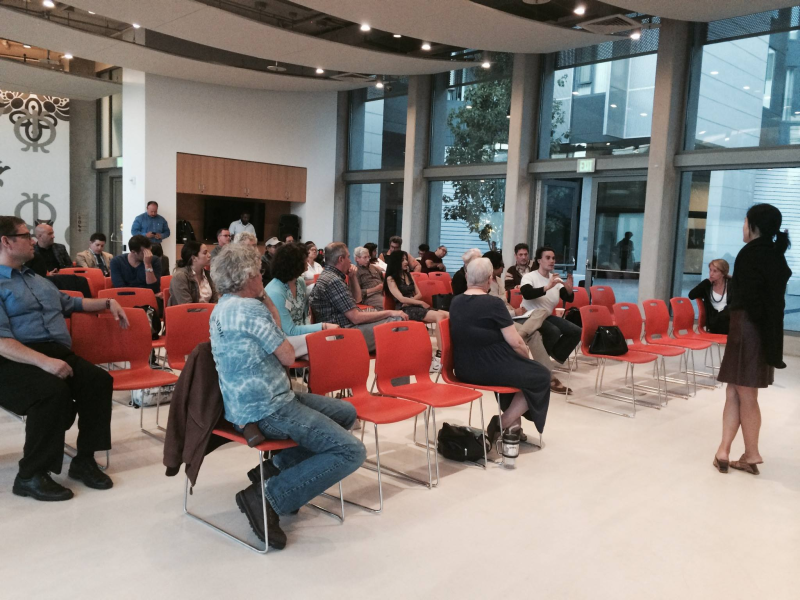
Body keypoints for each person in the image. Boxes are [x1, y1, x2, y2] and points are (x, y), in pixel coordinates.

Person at [209, 243, 365, 549]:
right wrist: (265, 300)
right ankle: (269, 496)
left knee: (345, 412)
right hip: (268, 407)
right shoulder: (251, 310)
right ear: (246, 277)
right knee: (351, 452)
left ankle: (275, 469)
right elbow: (288, 356)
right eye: (257, 272)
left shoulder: (222, 306)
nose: (261, 276)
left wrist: (263, 295)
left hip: (249, 402)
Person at [0, 216, 129, 501]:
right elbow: (1, 342)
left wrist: (108, 302)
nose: (33, 240)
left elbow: (71, 303)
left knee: (98, 380)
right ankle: (30, 475)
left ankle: (84, 460)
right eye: (26, 236)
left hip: (55, 352)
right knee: (51, 392)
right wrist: (44, 363)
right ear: (6, 242)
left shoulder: (35, 278)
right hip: (13, 360)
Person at [714, 204, 791, 476]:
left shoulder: (752, 254)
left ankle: (751, 452)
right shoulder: (773, 253)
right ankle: (725, 451)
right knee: (736, 389)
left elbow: (752, 298)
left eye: (745, 222)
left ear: (754, 226)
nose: (742, 227)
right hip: (759, 328)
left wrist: (750, 322)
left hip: (747, 326)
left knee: (744, 391)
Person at [449, 257, 551, 452]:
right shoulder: (493, 303)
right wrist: (526, 359)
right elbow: (516, 342)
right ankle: (502, 423)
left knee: (516, 374)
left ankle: (514, 426)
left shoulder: (456, 301)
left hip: (463, 366)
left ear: (467, 276)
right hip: (487, 366)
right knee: (541, 375)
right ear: (489, 279)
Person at [484, 250, 567, 395]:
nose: (502, 269)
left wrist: (514, 310)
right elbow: (490, 311)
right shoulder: (483, 284)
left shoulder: (499, 281)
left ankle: (521, 334)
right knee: (534, 333)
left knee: (541, 311)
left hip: (509, 315)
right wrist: (513, 313)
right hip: (497, 320)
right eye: (500, 266)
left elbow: (503, 303)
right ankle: (547, 375)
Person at [310, 242, 408, 353]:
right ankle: (395, 365)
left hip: (346, 328)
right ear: (341, 259)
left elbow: (358, 300)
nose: (350, 261)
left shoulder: (330, 276)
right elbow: (355, 317)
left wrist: (352, 277)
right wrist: (389, 312)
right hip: (343, 335)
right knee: (398, 321)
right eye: (348, 257)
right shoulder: (334, 281)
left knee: (394, 320)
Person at [266, 243, 339, 358]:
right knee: (324, 343)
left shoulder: (299, 282)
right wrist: (322, 326)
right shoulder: (275, 291)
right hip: (281, 340)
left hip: (299, 335)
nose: (307, 263)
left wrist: (315, 330)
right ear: (295, 264)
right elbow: (289, 330)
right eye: (304, 261)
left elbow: (305, 316)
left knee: (329, 344)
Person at [519, 246, 582, 369]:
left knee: (576, 331)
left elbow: (568, 298)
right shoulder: (529, 276)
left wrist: (569, 289)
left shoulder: (555, 279)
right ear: (539, 260)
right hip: (530, 316)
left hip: (546, 316)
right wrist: (547, 287)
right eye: (548, 258)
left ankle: (552, 357)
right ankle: (542, 363)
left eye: (553, 258)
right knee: (554, 331)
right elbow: (527, 293)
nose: (552, 261)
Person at [384, 250, 448, 350]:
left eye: (406, 259)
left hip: (413, 305)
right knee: (439, 316)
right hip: (404, 309)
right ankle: (441, 352)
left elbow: (419, 294)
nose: (406, 262)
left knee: (449, 315)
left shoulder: (409, 275)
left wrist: (412, 301)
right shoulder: (390, 279)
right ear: (396, 262)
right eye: (402, 260)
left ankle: (450, 347)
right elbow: (401, 299)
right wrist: (419, 302)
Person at [688, 259, 732, 334]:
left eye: (715, 271)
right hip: (714, 321)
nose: (711, 274)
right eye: (710, 270)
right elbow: (691, 295)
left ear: (723, 273)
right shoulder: (707, 285)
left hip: (730, 321)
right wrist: (706, 282)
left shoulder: (732, 284)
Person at [168, 241, 218, 306]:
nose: (209, 255)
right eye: (205, 253)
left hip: (207, 314)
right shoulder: (180, 276)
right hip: (186, 315)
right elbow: (188, 307)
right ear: (194, 258)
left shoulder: (208, 275)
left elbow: (215, 301)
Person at [354, 246, 384, 310]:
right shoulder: (355, 272)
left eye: (368, 257)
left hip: (384, 292)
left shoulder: (374, 268)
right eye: (365, 257)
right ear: (357, 259)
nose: (368, 260)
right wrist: (375, 289)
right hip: (371, 296)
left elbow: (384, 280)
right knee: (386, 304)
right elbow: (356, 293)